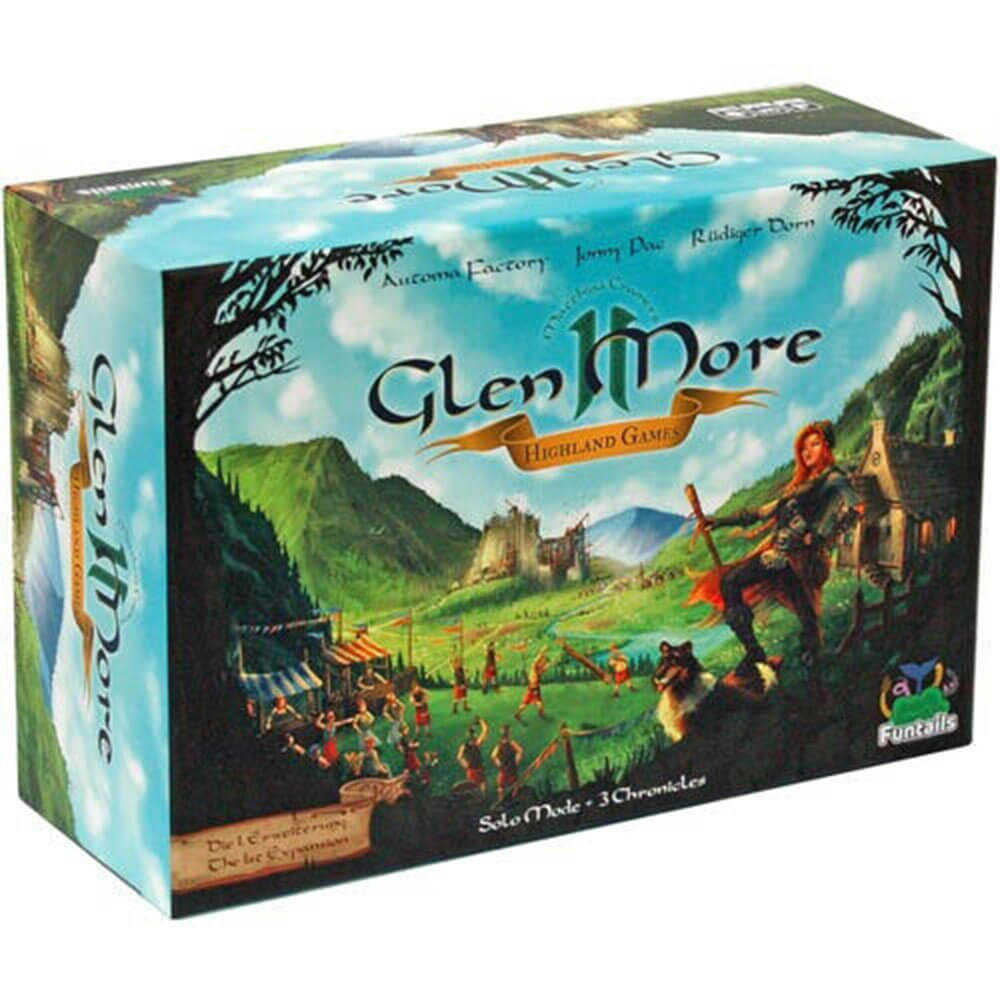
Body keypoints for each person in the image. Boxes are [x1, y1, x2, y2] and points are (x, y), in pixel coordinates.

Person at [685, 420, 859, 700]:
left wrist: (820, 536)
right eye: (803, 447)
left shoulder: (834, 478)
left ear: (827, 446)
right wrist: (720, 521)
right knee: (735, 585)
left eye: (814, 444)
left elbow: (856, 507)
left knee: (805, 618)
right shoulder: (800, 485)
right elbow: (761, 512)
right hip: (780, 558)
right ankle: (760, 657)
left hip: (799, 560)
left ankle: (810, 683)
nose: (807, 452)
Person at [514, 648, 550, 723]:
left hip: (533, 688)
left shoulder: (539, 669)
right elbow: (537, 661)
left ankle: (519, 713)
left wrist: (544, 657)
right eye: (543, 662)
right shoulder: (535, 667)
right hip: (533, 688)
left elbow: (544, 668)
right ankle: (540, 713)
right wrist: (542, 652)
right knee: (535, 702)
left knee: (530, 703)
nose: (543, 663)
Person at [457, 717, 490, 795]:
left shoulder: (465, 745)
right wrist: (481, 721)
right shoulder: (476, 743)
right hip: (476, 768)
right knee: (481, 784)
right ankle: (482, 797)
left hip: (472, 769)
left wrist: (465, 765)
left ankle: (478, 797)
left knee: (475, 785)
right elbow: (485, 730)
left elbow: (459, 757)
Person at [491, 725, 524, 801]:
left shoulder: (511, 744)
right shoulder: (501, 745)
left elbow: (520, 751)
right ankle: (502, 801)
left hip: (511, 768)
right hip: (505, 769)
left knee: (514, 786)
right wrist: (499, 764)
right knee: (502, 788)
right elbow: (493, 756)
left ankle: (513, 800)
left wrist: (517, 760)